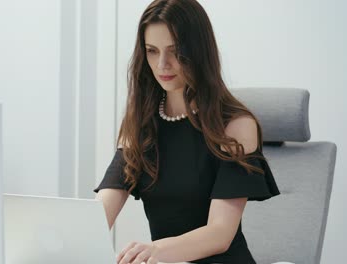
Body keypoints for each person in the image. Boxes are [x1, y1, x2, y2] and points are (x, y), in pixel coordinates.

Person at [93, 0, 280, 263]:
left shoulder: (236, 125)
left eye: (175, 51)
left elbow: (220, 233)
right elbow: (101, 212)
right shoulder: (139, 123)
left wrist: (154, 251)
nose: (162, 65)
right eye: (152, 51)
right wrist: (68, 237)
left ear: (199, 52)